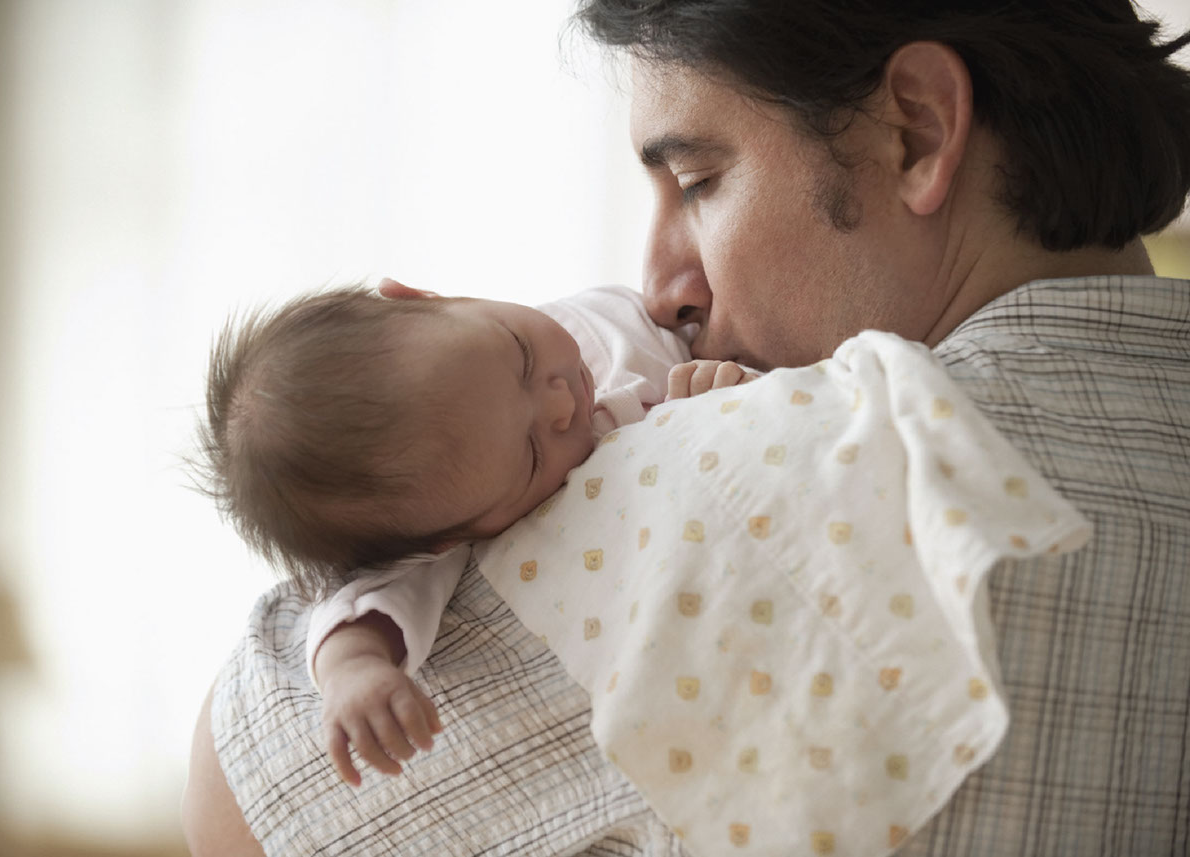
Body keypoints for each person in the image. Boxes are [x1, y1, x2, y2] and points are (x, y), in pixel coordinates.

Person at [183, 2, 1190, 855]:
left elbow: (244, 779)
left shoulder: (760, 467)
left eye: (699, 181)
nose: (662, 288)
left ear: (916, 132)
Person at [195, 279, 755, 785]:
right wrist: (352, 671)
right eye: (533, 455)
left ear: (425, 296)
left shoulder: (605, 321)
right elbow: (363, 603)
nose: (562, 401)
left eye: (521, 353)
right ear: (449, 539)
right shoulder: (461, 535)